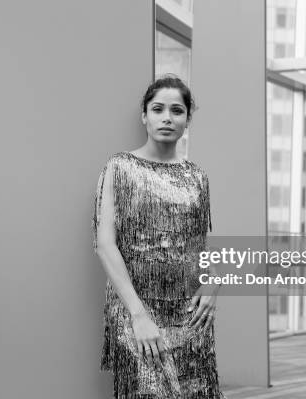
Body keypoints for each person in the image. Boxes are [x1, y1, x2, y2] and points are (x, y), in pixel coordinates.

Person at [93, 75, 225, 398]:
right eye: (158, 109)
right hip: (135, 309)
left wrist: (214, 281)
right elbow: (104, 245)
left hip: (189, 314)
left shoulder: (197, 176)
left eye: (177, 111)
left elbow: (204, 244)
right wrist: (138, 316)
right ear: (145, 116)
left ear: (187, 120)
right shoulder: (119, 167)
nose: (167, 117)